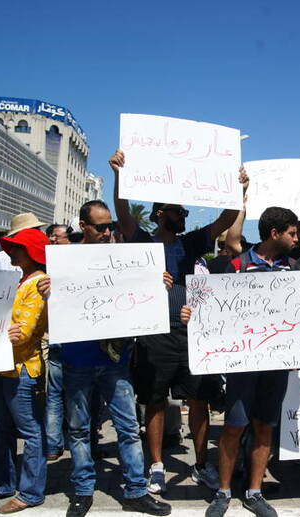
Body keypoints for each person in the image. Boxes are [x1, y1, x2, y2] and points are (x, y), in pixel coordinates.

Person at [109, 149, 247, 494]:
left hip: (192, 333)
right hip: (155, 335)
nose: (184, 215)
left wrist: (238, 189)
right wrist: (118, 176)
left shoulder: (190, 243)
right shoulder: (142, 240)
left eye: (185, 211)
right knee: (155, 400)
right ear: (160, 214)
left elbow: (224, 220)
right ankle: (156, 465)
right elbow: (123, 214)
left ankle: (201, 465)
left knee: (198, 401)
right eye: (178, 211)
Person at [37, 200, 171, 517]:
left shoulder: (126, 257)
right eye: (100, 226)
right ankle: (82, 491)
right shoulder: (64, 261)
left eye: (110, 225)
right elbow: (52, 310)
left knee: (127, 428)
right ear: (83, 226)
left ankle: (137, 491)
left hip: (115, 362)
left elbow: (140, 299)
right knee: (80, 430)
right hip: (77, 360)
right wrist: (46, 291)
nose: (107, 231)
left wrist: (159, 285)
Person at [182, 206, 299, 517]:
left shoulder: (296, 270)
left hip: (276, 365)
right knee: (234, 427)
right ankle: (223, 492)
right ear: (275, 234)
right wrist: (191, 314)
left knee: (264, 428)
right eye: (293, 233)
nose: (297, 239)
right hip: (242, 366)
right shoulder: (233, 266)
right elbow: (205, 304)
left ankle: (255, 492)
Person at [0, 229, 50, 513]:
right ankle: (3, 483)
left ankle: (30, 491)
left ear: (32, 253)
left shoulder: (37, 283)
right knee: (1, 429)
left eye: (18, 248)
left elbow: (25, 333)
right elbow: (10, 329)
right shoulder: (20, 281)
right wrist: (0, 331)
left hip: (22, 369)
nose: (11, 253)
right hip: (3, 366)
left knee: (29, 432)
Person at [43, 224, 73, 461]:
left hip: (75, 337)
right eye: (67, 237)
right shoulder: (50, 265)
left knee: (72, 395)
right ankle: (54, 443)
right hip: (59, 337)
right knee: (56, 394)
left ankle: (67, 440)